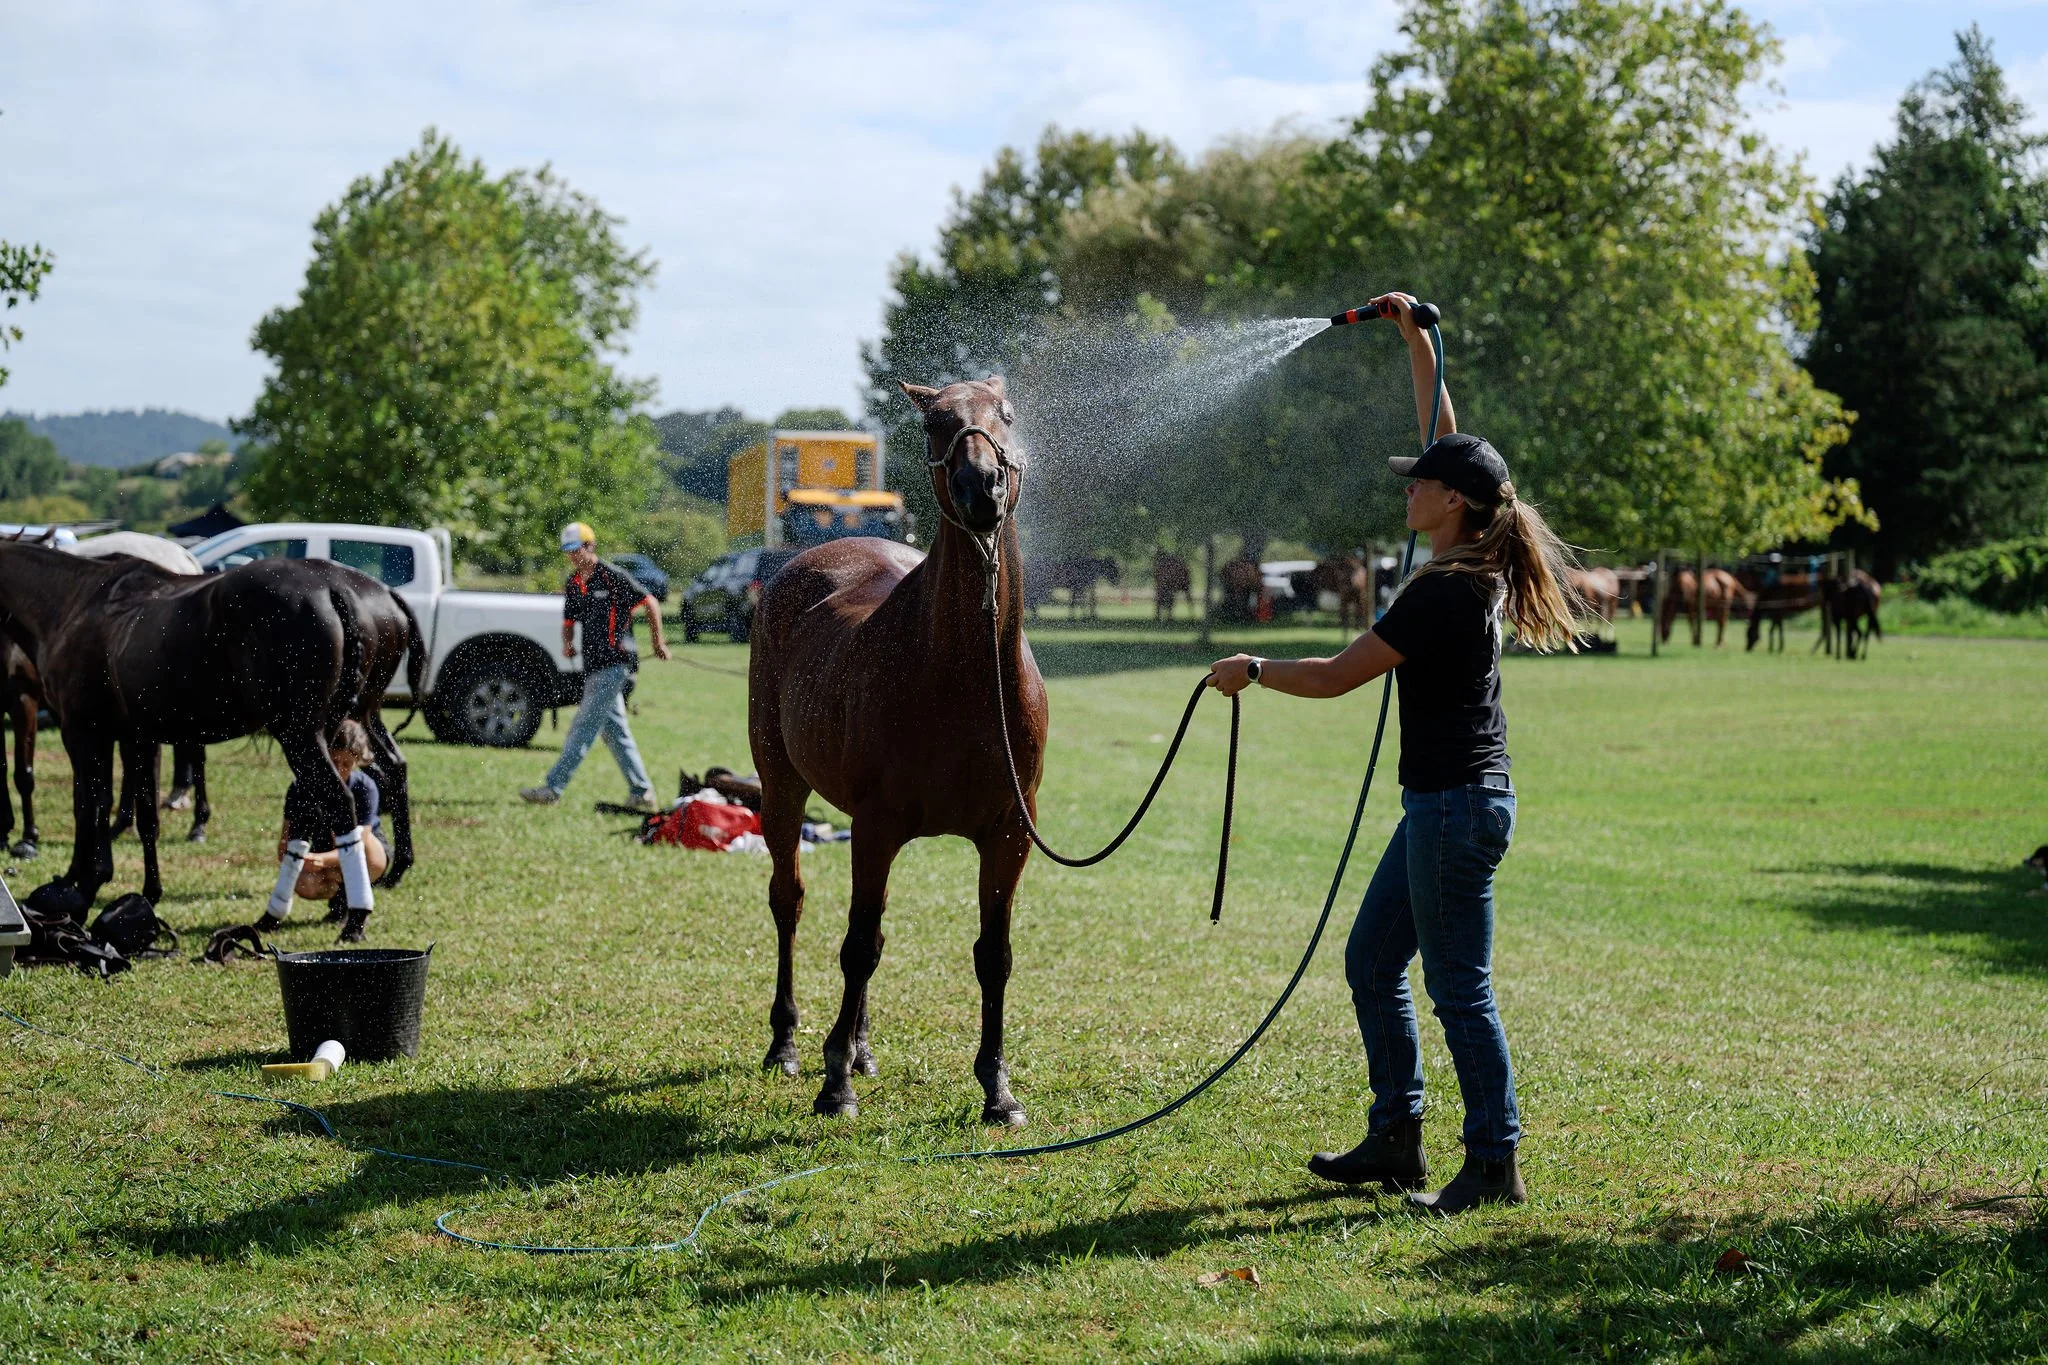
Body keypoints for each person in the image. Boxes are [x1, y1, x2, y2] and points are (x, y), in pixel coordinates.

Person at [1208, 292, 1579, 1217]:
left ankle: (1492, 1161)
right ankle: (1397, 1138)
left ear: (1452, 503)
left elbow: (1338, 675)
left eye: (1419, 483)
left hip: (1454, 808)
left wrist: (1254, 669)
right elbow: (1447, 440)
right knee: (1373, 962)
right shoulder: (1473, 552)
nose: (1406, 488)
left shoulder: (1444, 591)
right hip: (1447, 804)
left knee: (1459, 990)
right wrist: (1417, 341)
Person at [521, 521, 670, 810]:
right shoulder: (574, 583)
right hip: (593, 665)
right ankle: (642, 792)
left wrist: (658, 642)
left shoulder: (613, 577)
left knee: (583, 726)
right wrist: (567, 643)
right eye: (568, 551)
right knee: (615, 732)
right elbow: (569, 620)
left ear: (590, 546)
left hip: (614, 664)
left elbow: (650, 603)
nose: (572, 556)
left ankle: (552, 788)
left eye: (576, 549)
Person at [257, 719, 388, 927]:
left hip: (363, 851)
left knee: (367, 851)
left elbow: (361, 841)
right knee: (304, 883)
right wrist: (300, 857)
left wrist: (323, 861)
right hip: (323, 848)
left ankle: (352, 900)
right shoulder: (301, 787)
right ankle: (339, 900)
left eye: (346, 764)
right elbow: (285, 843)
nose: (339, 769)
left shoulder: (365, 787)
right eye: (333, 761)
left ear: (357, 761)